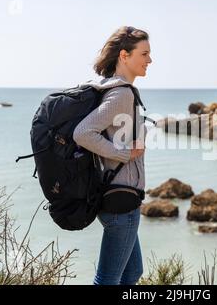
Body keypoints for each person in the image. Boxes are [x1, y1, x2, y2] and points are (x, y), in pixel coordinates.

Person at [72, 26, 152, 285]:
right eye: (144, 53)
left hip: (116, 197)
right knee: (107, 279)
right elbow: (82, 133)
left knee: (131, 274)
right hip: (121, 201)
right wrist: (124, 154)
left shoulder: (108, 87)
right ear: (124, 56)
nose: (149, 60)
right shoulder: (121, 93)